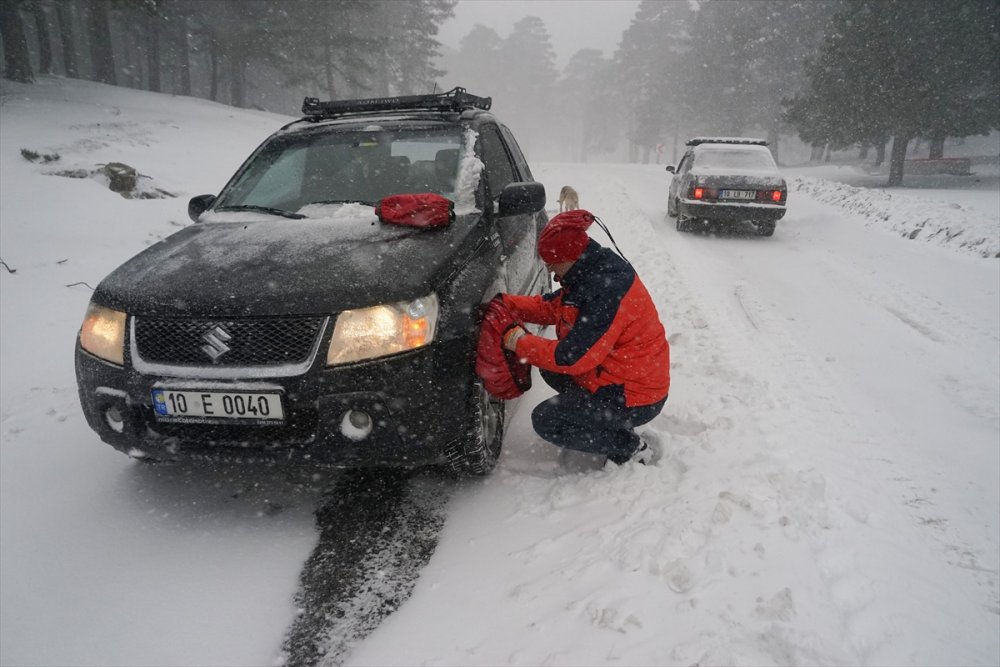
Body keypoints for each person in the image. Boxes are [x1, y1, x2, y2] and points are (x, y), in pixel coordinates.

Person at [499, 209, 670, 465]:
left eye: (551, 262)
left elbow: (572, 358)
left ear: (569, 257)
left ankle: (630, 448)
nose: (549, 269)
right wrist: (505, 304)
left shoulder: (606, 290)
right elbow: (552, 307)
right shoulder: (588, 273)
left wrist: (518, 342)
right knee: (548, 367)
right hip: (616, 376)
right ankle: (601, 419)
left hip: (636, 395)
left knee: (547, 420)